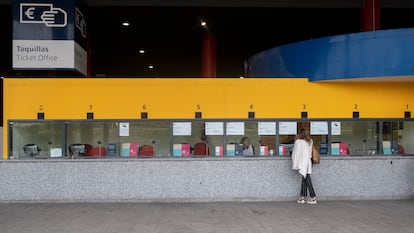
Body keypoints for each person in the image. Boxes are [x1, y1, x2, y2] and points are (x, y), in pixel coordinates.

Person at [291, 129, 317, 204]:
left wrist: (295, 164)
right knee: (305, 178)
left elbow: (295, 154)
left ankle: (313, 197)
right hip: (308, 161)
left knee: (307, 178)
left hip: (302, 162)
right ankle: (302, 197)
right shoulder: (310, 141)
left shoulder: (298, 142)